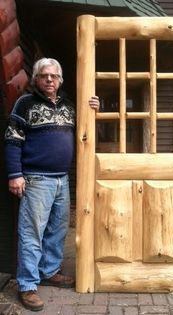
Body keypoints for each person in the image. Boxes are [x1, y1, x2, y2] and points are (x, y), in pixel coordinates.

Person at [4, 58, 100, 311]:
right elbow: (12, 140)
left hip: (62, 178)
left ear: (60, 80)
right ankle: (26, 285)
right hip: (36, 179)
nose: (49, 80)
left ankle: (49, 270)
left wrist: (93, 109)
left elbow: (86, 134)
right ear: (36, 79)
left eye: (54, 76)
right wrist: (15, 174)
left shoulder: (69, 105)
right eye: (44, 75)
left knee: (57, 230)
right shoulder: (25, 104)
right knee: (31, 234)